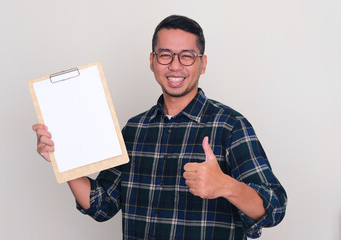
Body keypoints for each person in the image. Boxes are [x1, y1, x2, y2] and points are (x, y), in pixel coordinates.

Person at [33, 15, 287, 240]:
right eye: (165, 55)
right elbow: (101, 205)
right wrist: (62, 156)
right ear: (153, 61)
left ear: (203, 63)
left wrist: (225, 185)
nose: (175, 66)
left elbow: (274, 207)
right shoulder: (134, 129)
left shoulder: (230, 126)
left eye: (187, 56)